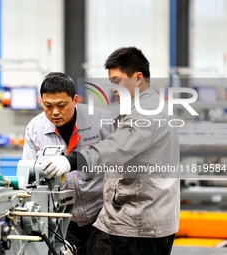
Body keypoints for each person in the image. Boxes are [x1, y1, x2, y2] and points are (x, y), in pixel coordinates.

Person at [42, 47, 180, 255]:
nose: (113, 88)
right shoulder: (136, 108)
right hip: (132, 217)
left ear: (138, 78)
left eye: (117, 81)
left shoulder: (149, 112)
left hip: (140, 223)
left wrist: (72, 161)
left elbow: (116, 147)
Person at [22, 72, 116, 255]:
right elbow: (28, 177)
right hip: (63, 217)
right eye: (47, 106)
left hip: (102, 214)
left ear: (75, 100)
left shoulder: (102, 122)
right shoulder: (35, 129)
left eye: (61, 105)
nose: (54, 112)